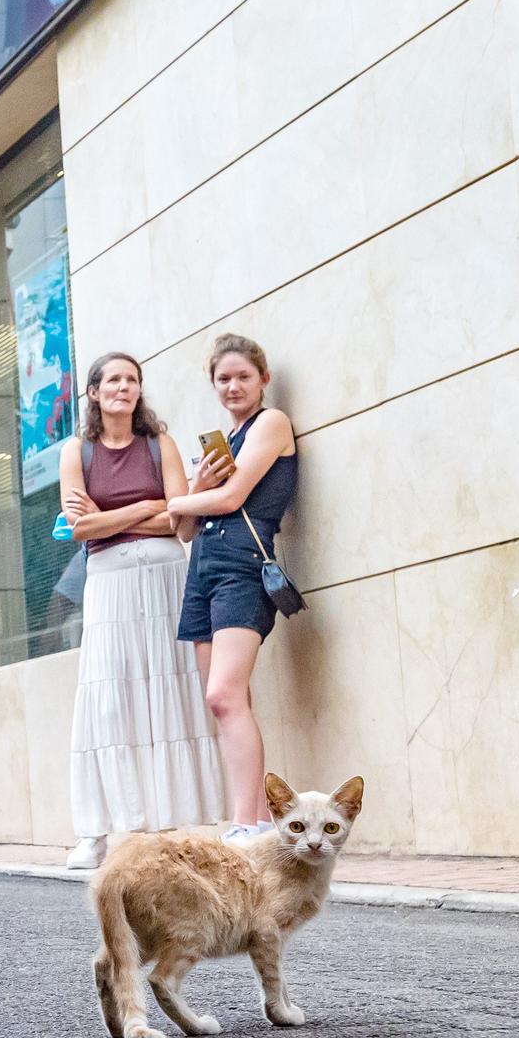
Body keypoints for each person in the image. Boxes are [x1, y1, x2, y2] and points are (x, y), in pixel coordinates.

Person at [59, 352, 225, 870]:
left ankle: (170, 825)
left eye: (132, 380)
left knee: (168, 691)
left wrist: (111, 515)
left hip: (166, 577)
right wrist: (143, 509)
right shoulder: (76, 450)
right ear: (94, 392)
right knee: (109, 699)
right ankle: (96, 832)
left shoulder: (160, 445)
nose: (123, 387)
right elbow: (80, 529)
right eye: (113, 379)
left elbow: (182, 518)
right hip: (107, 584)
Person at [167, 334, 299, 845]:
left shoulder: (272, 422)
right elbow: (183, 531)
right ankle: (248, 817)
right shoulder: (226, 441)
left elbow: (235, 498)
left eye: (244, 375)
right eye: (224, 378)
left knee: (224, 695)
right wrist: (194, 492)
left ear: (263, 379)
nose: (234, 386)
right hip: (203, 568)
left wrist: (184, 500)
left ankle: (255, 823)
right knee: (224, 700)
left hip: (242, 566)